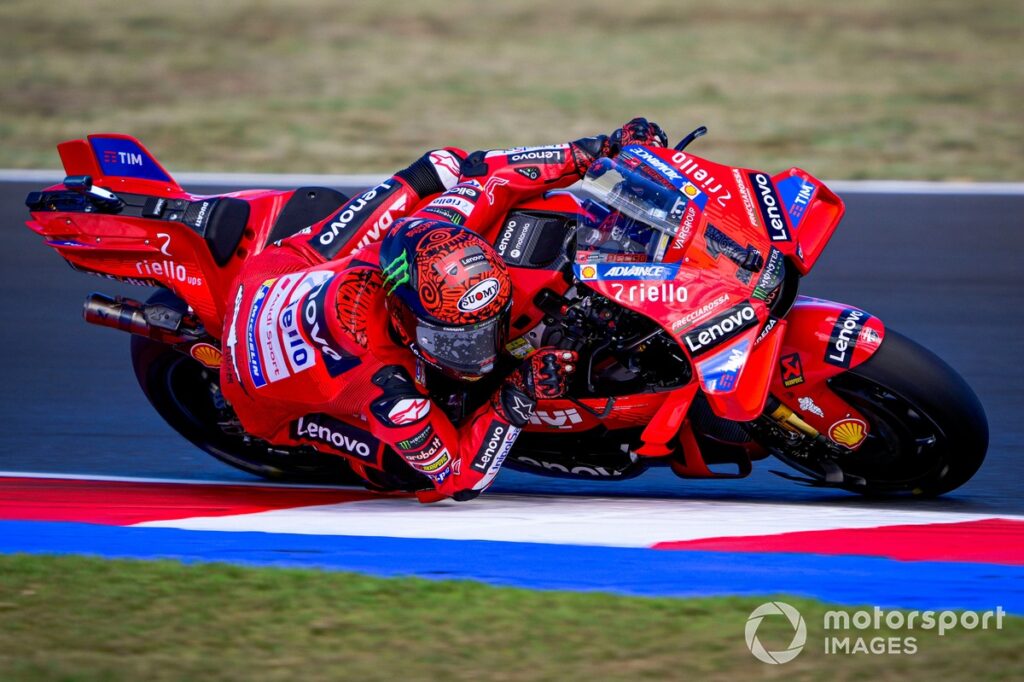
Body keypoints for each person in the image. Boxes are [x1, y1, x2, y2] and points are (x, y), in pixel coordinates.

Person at [219, 118, 668, 501]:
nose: (483, 353)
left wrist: (594, 152)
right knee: (410, 474)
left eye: (488, 330)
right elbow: (458, 479)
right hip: (260, 397)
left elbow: (488, 174)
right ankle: (312, 438)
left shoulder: (435, 228)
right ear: (403, 318)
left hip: (286, 267)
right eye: (459, 341)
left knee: (438, 169)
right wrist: (517, 394)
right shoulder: (390, 390)